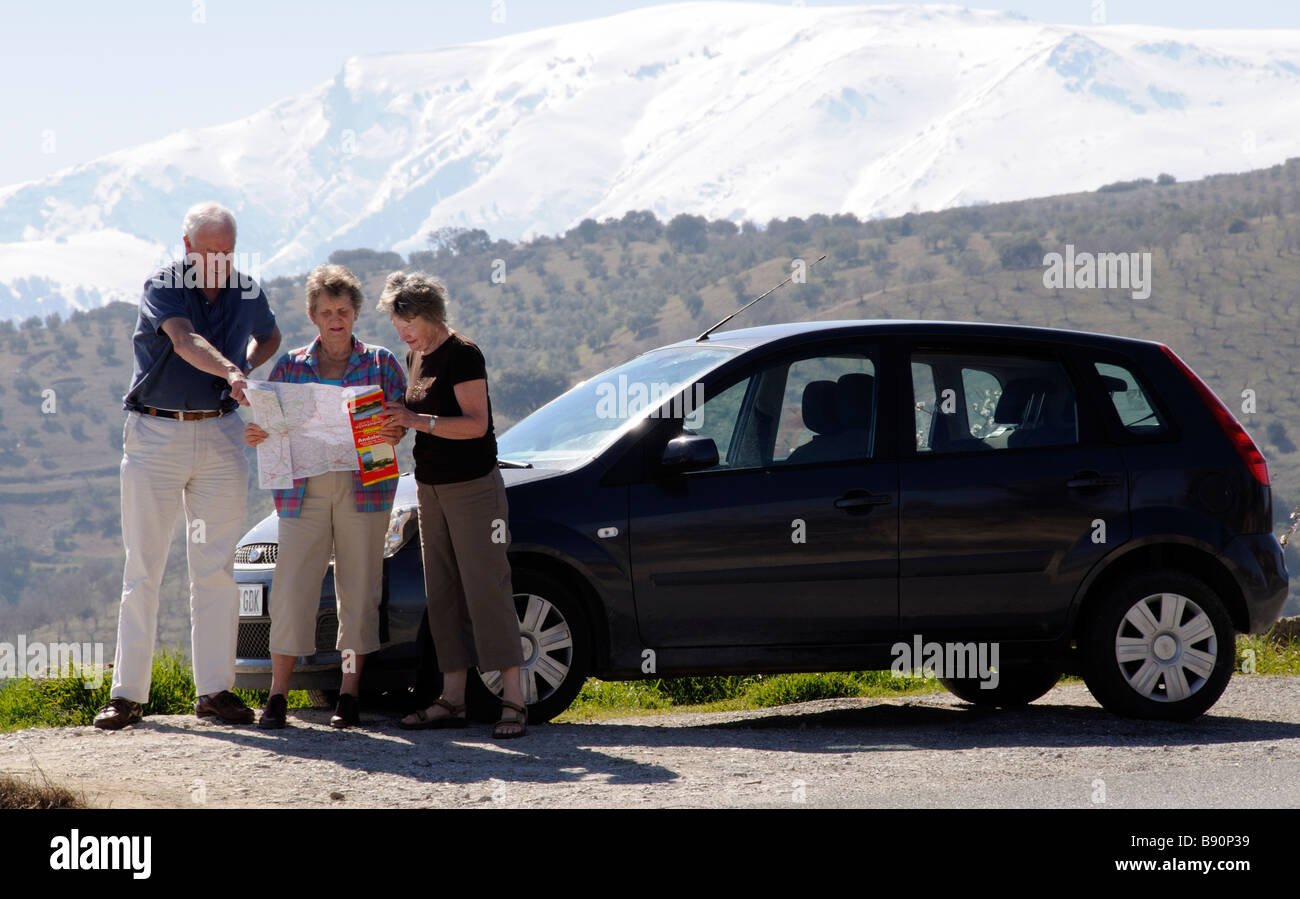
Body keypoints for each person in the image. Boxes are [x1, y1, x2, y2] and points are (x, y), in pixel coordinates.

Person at [94, 202, 281, 729]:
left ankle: (216, 692)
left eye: (227, 252)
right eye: (209, 252)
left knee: (217, 568)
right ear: (186, 246)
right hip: (155, 433)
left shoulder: (247, 288)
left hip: (220, 433)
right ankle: (127, 696)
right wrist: (231, 371)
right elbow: (183, 341)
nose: (219, 262)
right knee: (144, 568)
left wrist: (246, 364)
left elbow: (271, 334)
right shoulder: (164, 285)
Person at [243, 265, 407, 729]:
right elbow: (271, 428)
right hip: (303, 490)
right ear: (313, 316)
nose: (336, 319)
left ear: (355, 313)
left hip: (365, 488)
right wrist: (260, 433)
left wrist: (394, 426)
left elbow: (399, 426)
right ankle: (277, 696)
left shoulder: (382, 364)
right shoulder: (291, 366)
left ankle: (349, 695)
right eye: (326, 311)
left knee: (358, 589)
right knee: (292, 587)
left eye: (343, 310)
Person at [378, 272, 527, 739]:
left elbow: (476, 425)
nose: (403, 332)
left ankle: (515, 701)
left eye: (410, 322)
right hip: (429, 487)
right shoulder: (414, 356)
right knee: (441, 592)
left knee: (486, 587)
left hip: (473, 487)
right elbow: (418, 420)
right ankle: (453, 699)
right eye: (398, 324)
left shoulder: (464, 354)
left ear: (432, 315)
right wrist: (394, 427)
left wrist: (415, 418)